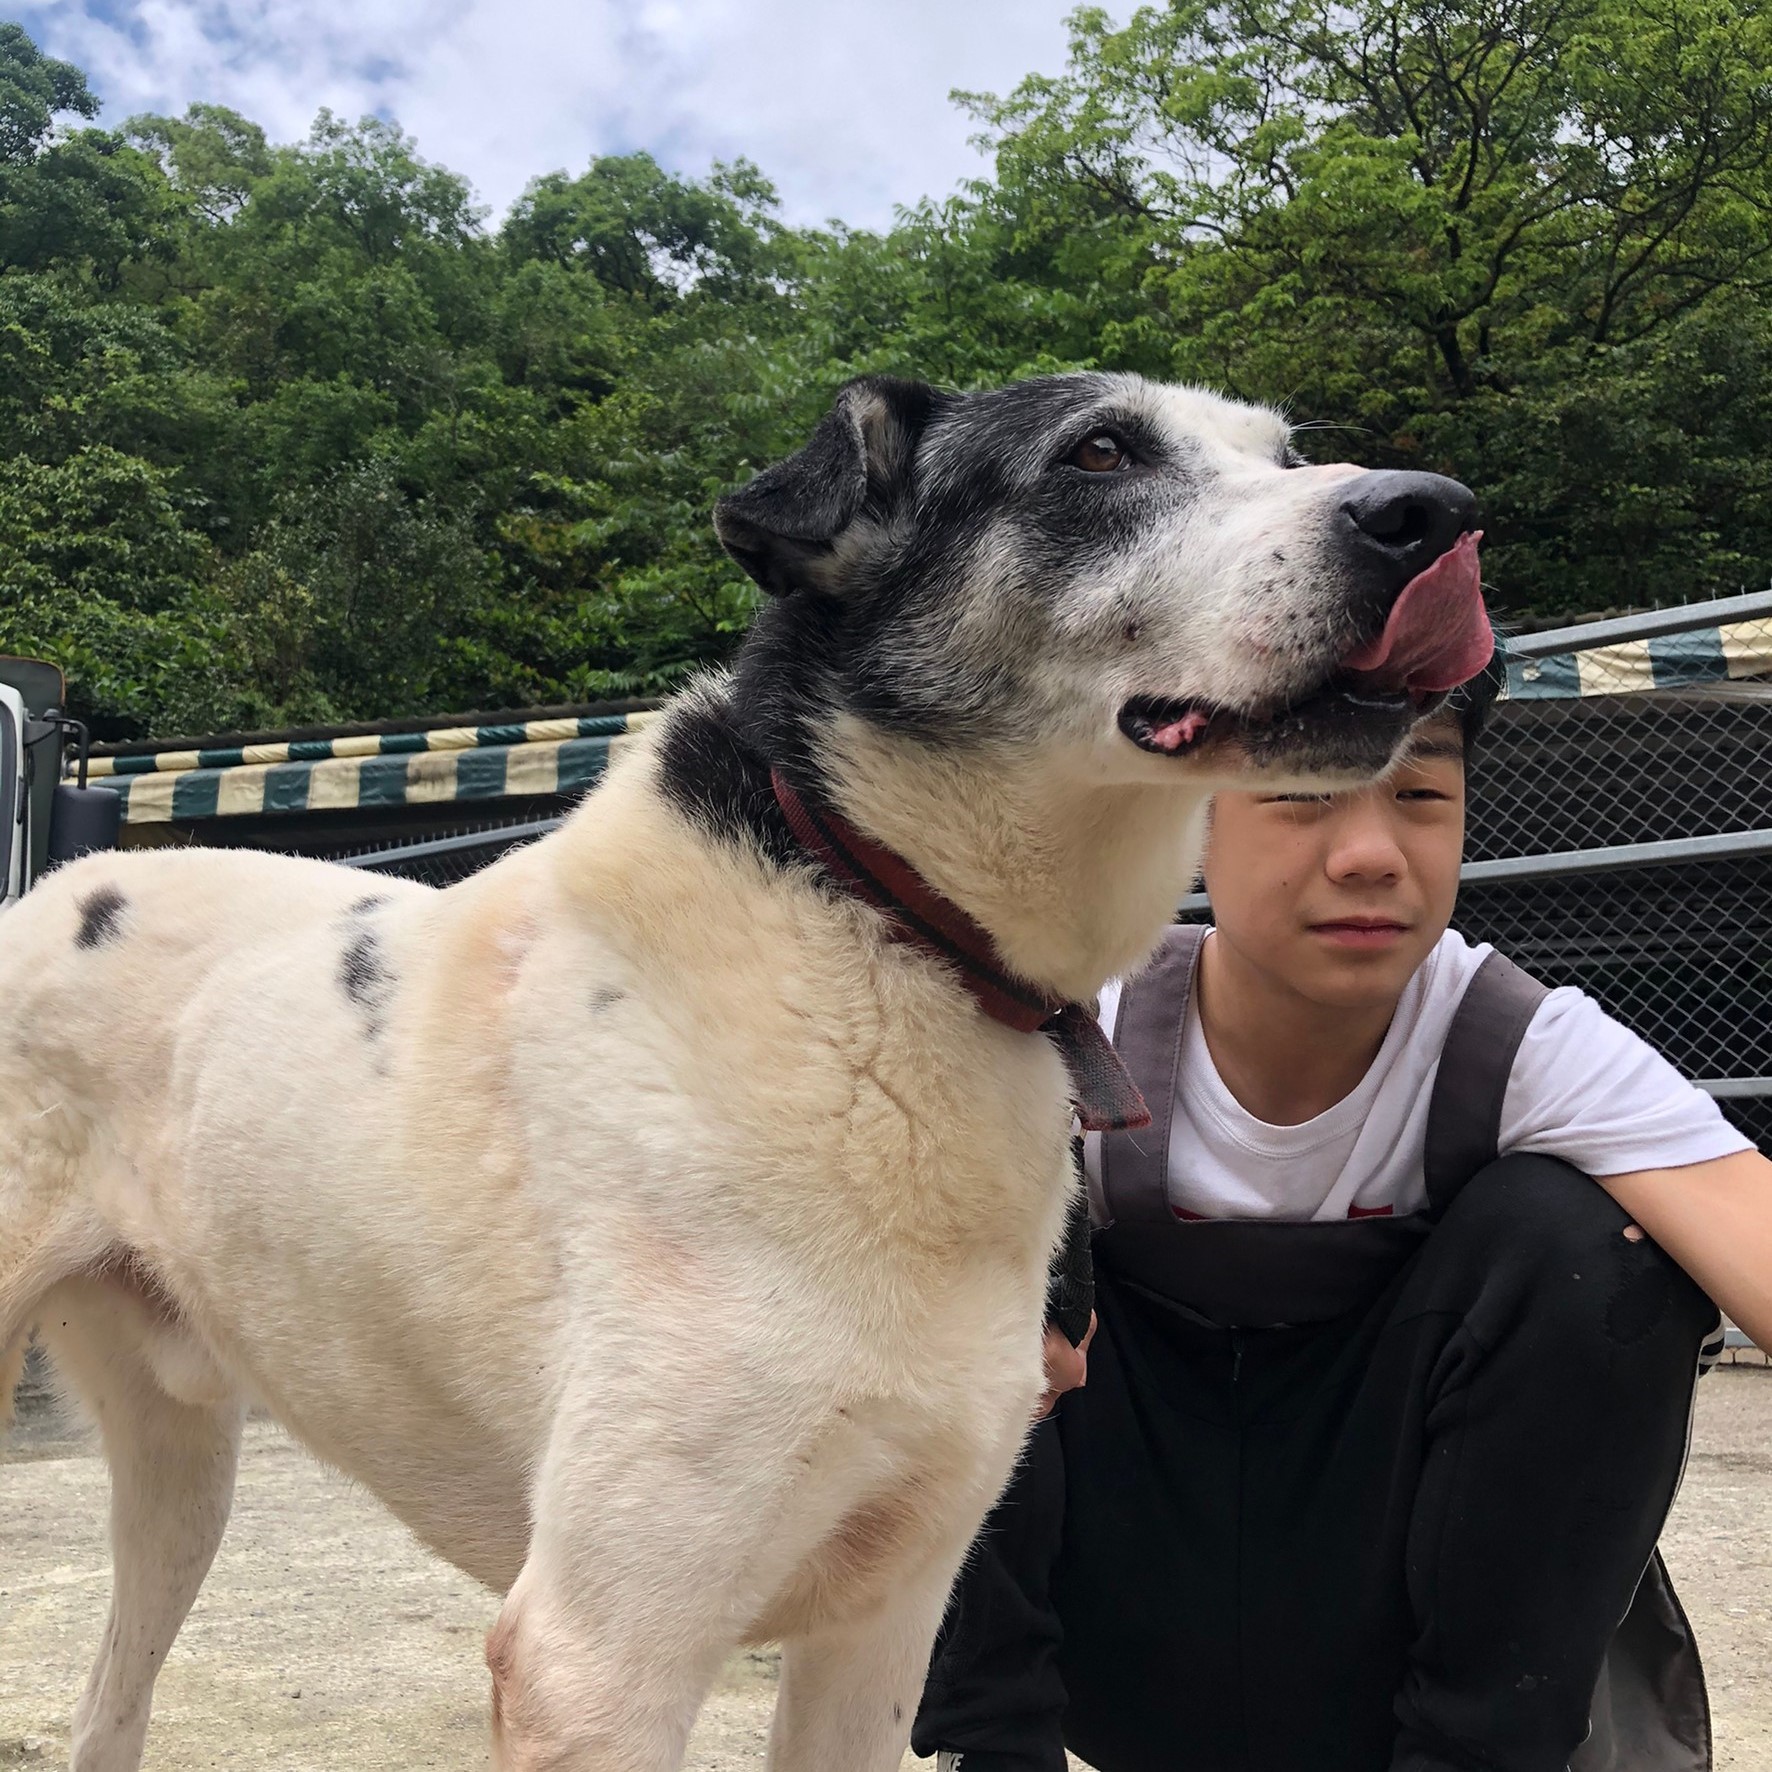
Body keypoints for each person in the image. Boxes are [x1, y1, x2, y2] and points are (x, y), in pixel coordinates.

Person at [913, 667, 1772, 1772]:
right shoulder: (1071, 1029)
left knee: (1587, 1243)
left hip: (1385, 1657)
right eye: (1306, 792)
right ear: (1186, 821)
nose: (1371, 852)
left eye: (1419, 795)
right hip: (1108, 1642)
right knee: (956, 1210)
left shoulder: (1521, 1043)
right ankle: (989, 1754)